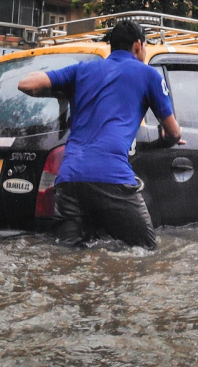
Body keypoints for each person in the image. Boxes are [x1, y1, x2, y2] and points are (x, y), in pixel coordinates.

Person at [17, 20, 183, 249]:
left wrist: (62, 90)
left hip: (69, 180)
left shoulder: (81, 70)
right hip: (112, 177)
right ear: (138, 45)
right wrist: (168, 137)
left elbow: (26, 84)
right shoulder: (149, 75)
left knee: (68, 255)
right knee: (146, 251)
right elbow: (173, 132)